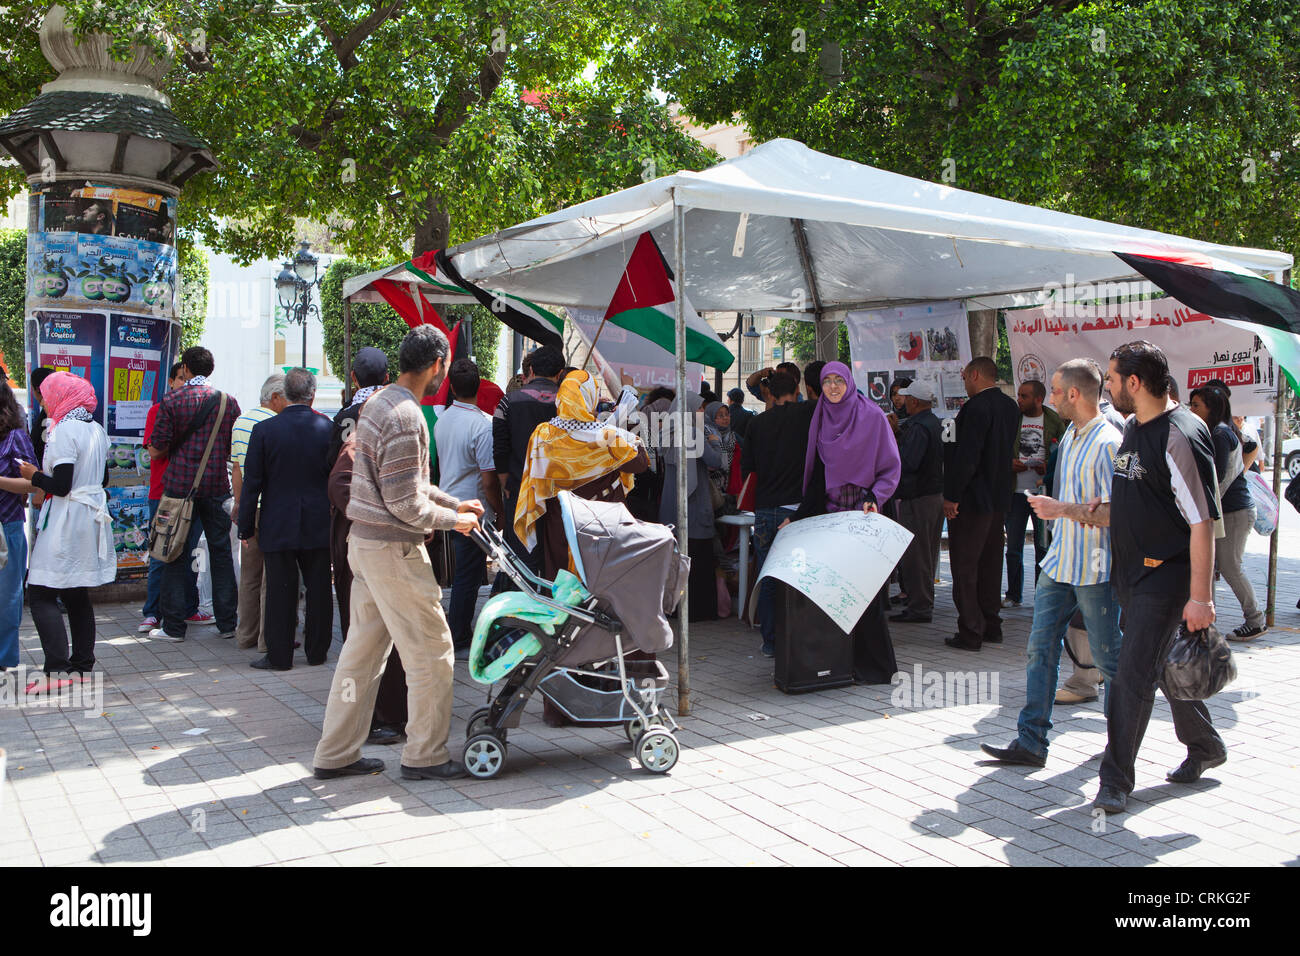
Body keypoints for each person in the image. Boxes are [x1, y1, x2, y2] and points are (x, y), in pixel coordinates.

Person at [313, 325, 480, 782]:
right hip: (392, 551)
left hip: (363, 546)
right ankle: (424, 755)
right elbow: (406, 502)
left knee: (360, 657)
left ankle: (335, 753)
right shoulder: (408, 416)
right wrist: (455, 521)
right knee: (433, 652)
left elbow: (405, 483)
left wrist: (452, 502)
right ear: (437, 366)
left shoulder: (380, 402)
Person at [1094, 341, 1226, 815]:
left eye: (1111, 378)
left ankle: (1115, 781)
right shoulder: (1133, 425)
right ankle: (1206, 745)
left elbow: (1201, 522)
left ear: (1134, 383)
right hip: (1132, 575)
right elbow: (1143, 494)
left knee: (1132, 676)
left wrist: (1200, 598)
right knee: (1160, 666)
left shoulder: (1180, 436)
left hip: (1166, 580)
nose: (1107, 386)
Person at [980, 360, 1124, 767]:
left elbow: (1117, 513)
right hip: (1060, 564)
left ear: (1074, 394)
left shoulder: (1109, 442)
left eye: (1057, 392)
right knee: (1038, 650)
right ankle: (1032, 742)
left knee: (1110, 659)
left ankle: (1120, 745)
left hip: (1095, 569)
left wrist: (1060, 509)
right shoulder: (1074, 437)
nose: (1052, 398)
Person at [786, 361, 901, 683]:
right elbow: (818, 477)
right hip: (832, 520)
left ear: (849, 382)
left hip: (865, 515)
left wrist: (875, 496)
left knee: (868, 596)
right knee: (839, 596)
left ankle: (877, 668)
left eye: (839, 381)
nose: (833, 388)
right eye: (827, 382)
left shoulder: (872, 417)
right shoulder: (821, 418)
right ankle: (840, 666)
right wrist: (796, 516)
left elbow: (891, 467)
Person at [0, 373, 114, 692]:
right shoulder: (95, 429)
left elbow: (61, 486)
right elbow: (102, 478)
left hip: (68, 517)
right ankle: (81, 665)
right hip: (87, 515)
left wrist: (34, 475)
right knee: (76, 591)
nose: (45, 402)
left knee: (41, 591)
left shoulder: (64, 431)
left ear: (62, 397)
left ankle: (57, 671)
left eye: (48, 396)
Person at [237, 368, 334, 671]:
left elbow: (252, 482)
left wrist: (244, 526)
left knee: (279, 589)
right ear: (312, 394)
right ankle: (317, 651)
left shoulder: (265, 431)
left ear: (285, 396)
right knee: (319, 588)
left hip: (277, 519)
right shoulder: (328, 428)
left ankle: (279, 655)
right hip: (318, 519)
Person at [146, 346, 242, 642]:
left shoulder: (171, 400)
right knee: (221, 553)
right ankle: (227, 624)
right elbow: (230, 446)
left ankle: (174, 627)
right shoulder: (229, 402)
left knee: (175, 552)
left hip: (179, 489)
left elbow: (157, 447)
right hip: (216, 485)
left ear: (185, 368)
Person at [329, 393, 409, 746]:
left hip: (383, 553)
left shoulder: (378, 444)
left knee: (384, 638)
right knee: (368, 641)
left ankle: (380, 716)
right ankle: (374, 719)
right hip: (368, 555)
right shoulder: (357, 447)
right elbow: (341, 488)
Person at [515, 369, 647, 580]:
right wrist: (622, 424)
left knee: (560, 581)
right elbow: (639, 463)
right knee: (595, 583)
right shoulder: (606, 436)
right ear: (589, 398)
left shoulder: (542, 434)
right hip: (600, 522)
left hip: (559, 522)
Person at [942, 356, 1020, 651]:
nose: (963, 382)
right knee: (990, 563)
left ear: (974, 375)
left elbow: (966, 457)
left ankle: (971, 630)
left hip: (972, 499)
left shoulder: (974, 408)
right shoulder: (1010, 406)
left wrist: (952, 495)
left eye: (964, 377)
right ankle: (991, 624)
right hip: (998, 496)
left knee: (965, 565)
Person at [741, 371, 816, 656]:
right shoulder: (806, 415)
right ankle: (794, 636)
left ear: (769, 395)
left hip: (764, 509)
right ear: (797, 390)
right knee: (797, 576)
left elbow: (748, 468)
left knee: (768, 576)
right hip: (795, 509)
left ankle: (770, 641)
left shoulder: (757, 424)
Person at [434, 358, 503, 655]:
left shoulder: (442, 420)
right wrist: (498, 510)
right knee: (467, 575)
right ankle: (459, 632)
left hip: (448, 503)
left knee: (467, 573)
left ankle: (458, 627)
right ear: (479, 386)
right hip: (473, 510)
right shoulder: (481, 425)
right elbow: (489, 481)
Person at [1188, 385, 1266, 640]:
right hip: (1226, 511)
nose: (1192, 410)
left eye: (1196, 405)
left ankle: (1256, 621)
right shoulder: (1217, 431)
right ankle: (1206, 623)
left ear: (1211, 408)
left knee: (1231, 567)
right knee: (1208, 567)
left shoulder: (1220, 434)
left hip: (1234, 511)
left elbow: (1217, 477)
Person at [140, 363, 209, 632]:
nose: (185, 383)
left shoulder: (202, 411)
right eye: (181, 378)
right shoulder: (159, 411)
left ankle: (188, 608)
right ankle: (152, 612)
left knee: (190, 552)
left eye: (189, 378)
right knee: (161, 552)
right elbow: (154, 453)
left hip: (194, 493)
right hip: (163, 494)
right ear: (171, 382)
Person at [228, 373, 286, 651]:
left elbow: (237, 470)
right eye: (286, 397)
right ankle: (266, 639)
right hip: (273, 509)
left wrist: (240, 505)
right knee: (271, 577)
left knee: (249, 574)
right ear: (275, 398)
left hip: (250, 509)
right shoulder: (275, 424)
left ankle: (245, 635)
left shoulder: (241, 421)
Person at [493, 344, 563, 571]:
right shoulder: (567, 404)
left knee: (520, 562)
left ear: (530, 369)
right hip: (558, 494)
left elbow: (500, 449)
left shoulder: (508, 402)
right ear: (559, 373)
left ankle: (520, 603)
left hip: (519, 491)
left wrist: (506, 484)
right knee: (554, 559)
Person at [659, 391, 722, 621]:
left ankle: (673, 609)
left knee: (676, 559)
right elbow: (716, 462)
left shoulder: (668, 432)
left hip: (671, 505)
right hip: (695, 506)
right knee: (697, 561)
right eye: (698, 408)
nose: (702, 413)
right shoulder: (694, 432)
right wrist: (716, 442)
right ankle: (699, 611)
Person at [1004, 379, 1066, 608]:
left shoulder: (1054, 420)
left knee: (1043, 547)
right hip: (1016, 491)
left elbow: (1064, 452)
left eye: (1024, 396)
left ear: (1038, 399)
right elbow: (1000, 449)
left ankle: (1042, 595)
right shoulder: (1013, 420)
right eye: (1018, 395)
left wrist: (1048, 467)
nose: (1019, 400)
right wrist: (1008, 463)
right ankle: (1013, 594)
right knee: (1013, 548)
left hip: (1043, 492)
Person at [890, 381, 943, 623]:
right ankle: (920, 603)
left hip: (919, 498)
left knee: (917, 555)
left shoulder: (920, 427)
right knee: (926, 553)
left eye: (907, 398)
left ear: (914, 401)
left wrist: (893, 441)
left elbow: (908, 462)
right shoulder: (932, 423)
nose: (904, 402)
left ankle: (920, 607)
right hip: (930, 496)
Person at [0, 375, 35, 672]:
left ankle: (4, 661)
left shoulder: (15, 437)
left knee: (7, 599)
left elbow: (32, 484)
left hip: (6, 526)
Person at [330, 346, 389, 464]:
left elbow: (332, 461)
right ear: (386, 378)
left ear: (353, 377)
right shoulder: (402, 412)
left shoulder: (343, 418)